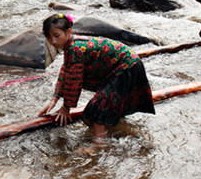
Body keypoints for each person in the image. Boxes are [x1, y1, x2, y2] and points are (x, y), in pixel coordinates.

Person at [38, 13, 155, 141]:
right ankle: (117, 131)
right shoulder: (71, 46)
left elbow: (74, 81)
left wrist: (66, 107)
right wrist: (55, 98)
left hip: (126, 68)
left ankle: (99, 145)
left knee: (98, 108)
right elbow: (66, 71)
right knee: (107, 104)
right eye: (49, 37)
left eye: (56, 36)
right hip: (125, 66)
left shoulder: (75, 48)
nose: (53, 41)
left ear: (68, 32)